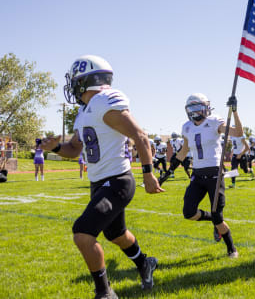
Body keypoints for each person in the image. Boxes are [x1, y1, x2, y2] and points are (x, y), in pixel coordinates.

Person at [41, 55, 164, 299]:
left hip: (117, 180)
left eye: (75, 81)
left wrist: (149, 173)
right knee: (115, 234)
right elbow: (75, 149)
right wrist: (54, 148)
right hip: (99, 182)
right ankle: (144, 264)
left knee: (83, 233)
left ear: (86, 80)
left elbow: (140, 135)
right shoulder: (85, 110)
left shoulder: (104, 101)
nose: (72, 86)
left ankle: (104, 293)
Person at [174, 93, 242, 258]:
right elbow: (184, 151)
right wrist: (169, 169)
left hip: (215, 174)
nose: (196, 112)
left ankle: (232, 248)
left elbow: (237, 132)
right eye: (192, 108)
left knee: (219, 218)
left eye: (198, 107)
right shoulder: (186, 127)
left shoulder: (214, 121)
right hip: (197, 175)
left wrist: (234, 111)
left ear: (206, 108)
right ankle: (213, 219)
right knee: (188, 212)